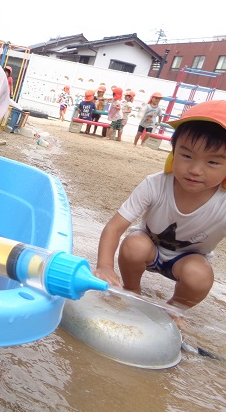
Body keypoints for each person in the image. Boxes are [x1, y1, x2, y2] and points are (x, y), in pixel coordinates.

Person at [95, 100, 226, 310]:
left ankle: (175, 308)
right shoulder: (155, 184)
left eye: (212, 162)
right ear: (173, 153)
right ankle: (131, 289)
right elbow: (114, 227)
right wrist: (104, 266)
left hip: (187, 260)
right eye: (186, 155)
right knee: (133, 245)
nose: (195, 170)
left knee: (199, 276)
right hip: (149, 248)